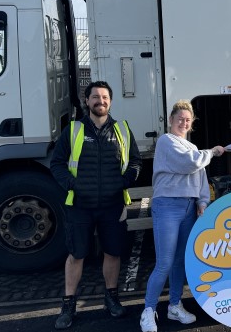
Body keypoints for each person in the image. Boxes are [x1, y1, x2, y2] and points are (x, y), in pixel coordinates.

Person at [49, 81, 142, 330]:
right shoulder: (73, 130)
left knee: (113, 252)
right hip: (80, 205)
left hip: (112, 205)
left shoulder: (122, 129)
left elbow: (135, 161)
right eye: (95, 97)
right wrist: (72, 185)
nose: (100, 101)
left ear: (110, 101)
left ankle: (111, 298)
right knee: (77, 254)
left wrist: (124, 181)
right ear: (86, 101)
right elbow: (56, 163)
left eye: (104, 97)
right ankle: (68, 305)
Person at [140, 100, 225, 332]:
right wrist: (212, 152)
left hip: (188, 207)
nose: (183, 123)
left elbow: (200, 179)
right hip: (167, 205)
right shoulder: (166, 141)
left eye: (188, 120)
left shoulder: (191, 146)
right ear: (171, 120)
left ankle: (174, 305)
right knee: (165, 263)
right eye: (180, 119)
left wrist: (202, 201)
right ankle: (148, 310)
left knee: (179, 261)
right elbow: (191, 164)